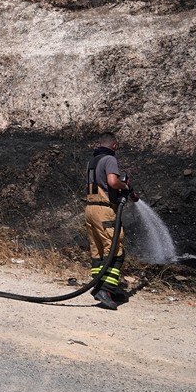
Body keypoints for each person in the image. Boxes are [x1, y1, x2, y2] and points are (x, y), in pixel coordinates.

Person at [84, 133, 136, 310]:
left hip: (90, 209)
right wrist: (126, 186)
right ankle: (106, 290)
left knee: (98, 250)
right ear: (114, 145)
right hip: (105, 211)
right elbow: (113, 182)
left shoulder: (92, 162)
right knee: (115, 250)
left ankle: (100, 287)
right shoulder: (110, 159)